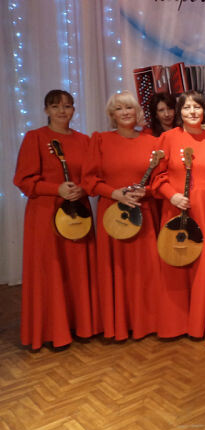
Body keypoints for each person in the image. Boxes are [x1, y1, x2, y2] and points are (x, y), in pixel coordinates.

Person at [14, 89, 98, 349]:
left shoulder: (85, 140)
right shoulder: (35, 138)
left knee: (77, 269)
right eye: (55, 106)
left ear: (74, 109)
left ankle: (82, 326)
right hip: (45, 214)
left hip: (78, 213)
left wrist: (83, 189)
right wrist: (56, 189)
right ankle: (53, 332)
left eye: (67, 106)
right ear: (46, 110)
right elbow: (23, 180)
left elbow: (92, 177)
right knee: (51, 270)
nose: (62, 111)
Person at [82, 90, 165, 340]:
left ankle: (146, 323)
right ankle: (117, 324)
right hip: (112, 213)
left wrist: (146, 191)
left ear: (136, 112)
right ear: (112, 115)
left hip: (143, 211)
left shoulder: (152, 142)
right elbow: (89, 180)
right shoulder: (100, 140)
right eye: (119, 108)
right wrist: (114, 193)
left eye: (129, 107)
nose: (125, 112)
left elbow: (160, 179)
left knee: (145, 269)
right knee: (115, 269)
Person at [151, 90, 205, 338]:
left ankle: (202, 323)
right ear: (179, 112)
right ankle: (175, 324)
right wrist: (171, 195)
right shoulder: (168, 138)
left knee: (203, 266)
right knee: (175, 264)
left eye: (197, 107)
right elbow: (156, 176)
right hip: (176, 206)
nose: (192, 112)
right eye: (187, 107)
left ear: (204, 111)